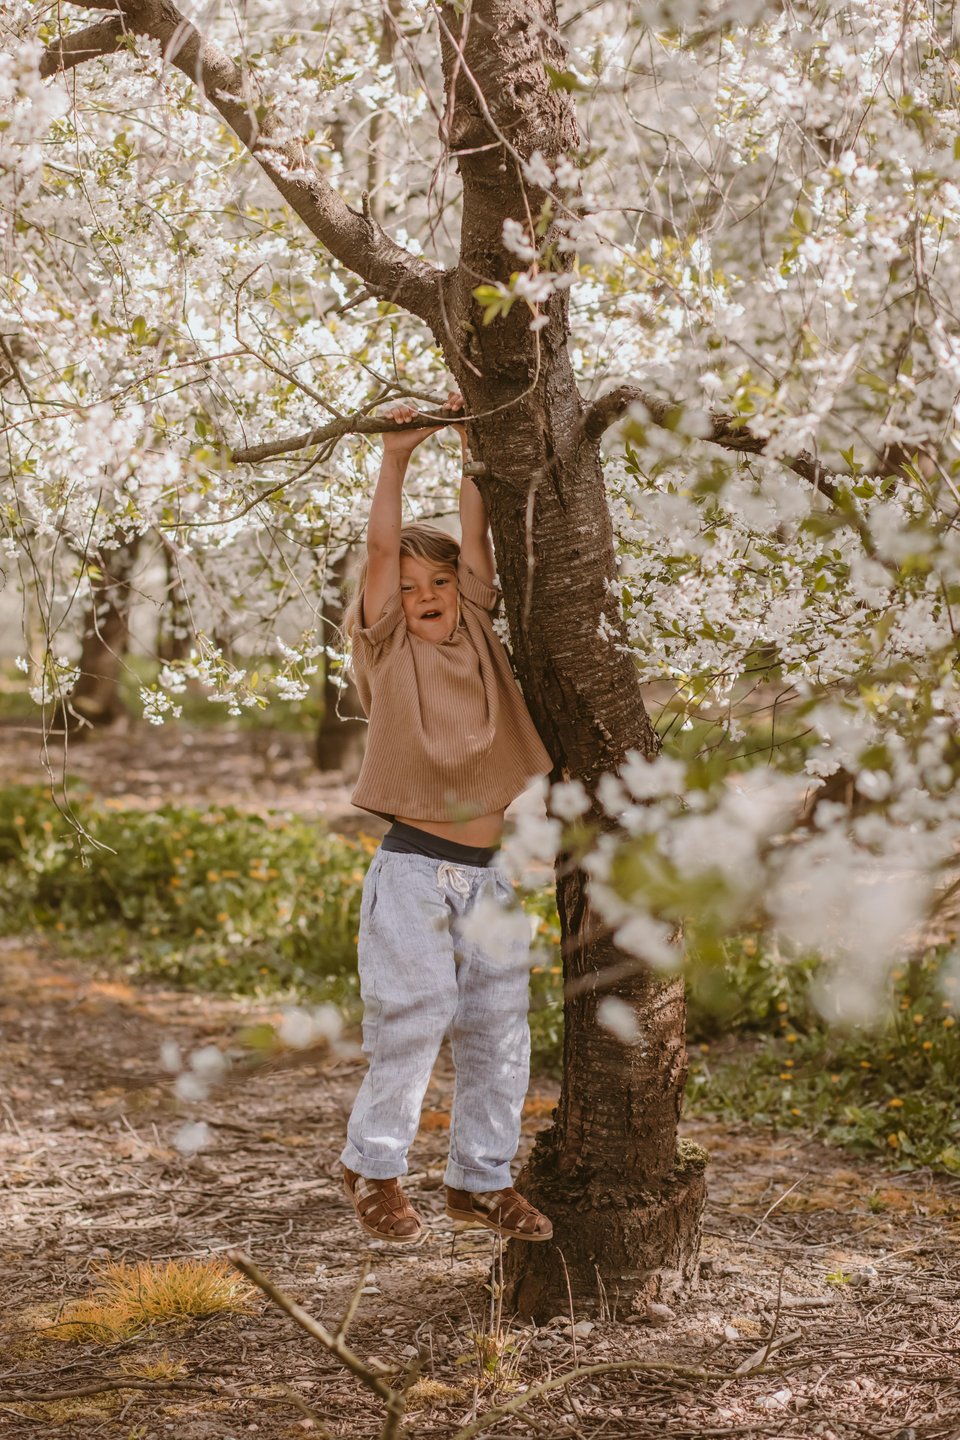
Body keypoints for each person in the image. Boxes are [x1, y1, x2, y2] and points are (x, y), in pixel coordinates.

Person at [338, 390, 554, 1246]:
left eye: (440, 581)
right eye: (410, 587)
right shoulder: (387, 645)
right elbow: (381, 550)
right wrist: (396, 457)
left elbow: (477, 530)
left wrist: (471, 442)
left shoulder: (475, 628)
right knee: (417, 1011)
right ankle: (373, 1167)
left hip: (491, 879)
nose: (425, 593)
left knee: (499, 1030)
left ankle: (480, 1180)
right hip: (414, 872)